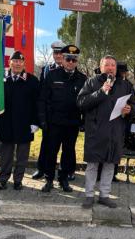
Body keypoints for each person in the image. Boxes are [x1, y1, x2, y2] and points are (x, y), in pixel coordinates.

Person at [78, 55, 135, 209]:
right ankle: (89, 195)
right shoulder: (92, 82)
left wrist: (129, 109)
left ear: (116, 68)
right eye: (107, 65)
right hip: (96, 131)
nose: (110, 68)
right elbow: (81, 103)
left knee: (110, 165)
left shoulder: (125, 85)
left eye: (113, 65)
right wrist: (101, 91)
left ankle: (104, 195)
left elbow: (134, 105)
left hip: (115, 132)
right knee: (92, 165)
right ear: (101, 66)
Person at [38, 45, 86, 192]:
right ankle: (49, 180)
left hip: (71, 124)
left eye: (74, 60)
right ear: (63, 59)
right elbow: (42, 99)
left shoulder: (83, 79)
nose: (71, 62)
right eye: (68, 59)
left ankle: (64, 179)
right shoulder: (52, 75)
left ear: (77, 61)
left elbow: (85, 103)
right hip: (54, 123)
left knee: (68, 152)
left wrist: (82, 122)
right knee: (51, 152)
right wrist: (43, 120)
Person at [0, 51, 40, 191]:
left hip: (24, 124)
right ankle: (3, 179)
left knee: (22, 156)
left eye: (20, 62)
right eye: (14, 61)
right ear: (9, 63)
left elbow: (37, 104)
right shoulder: (1, 79)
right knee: (5, 155)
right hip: (6, 123)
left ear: (23, 64)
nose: (17, 64)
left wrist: (35, 122)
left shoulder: (32, 80)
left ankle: (18, 180)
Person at [33, 40, 66, 180]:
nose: (57, 56)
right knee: (45, 144)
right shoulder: (46, 69)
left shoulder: (68, 68)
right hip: (49, 114)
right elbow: (42, 93)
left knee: (65, 146)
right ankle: (42, 169)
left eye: (60, 53)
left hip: (63, 114)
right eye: (55, 53)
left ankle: (65, 171)